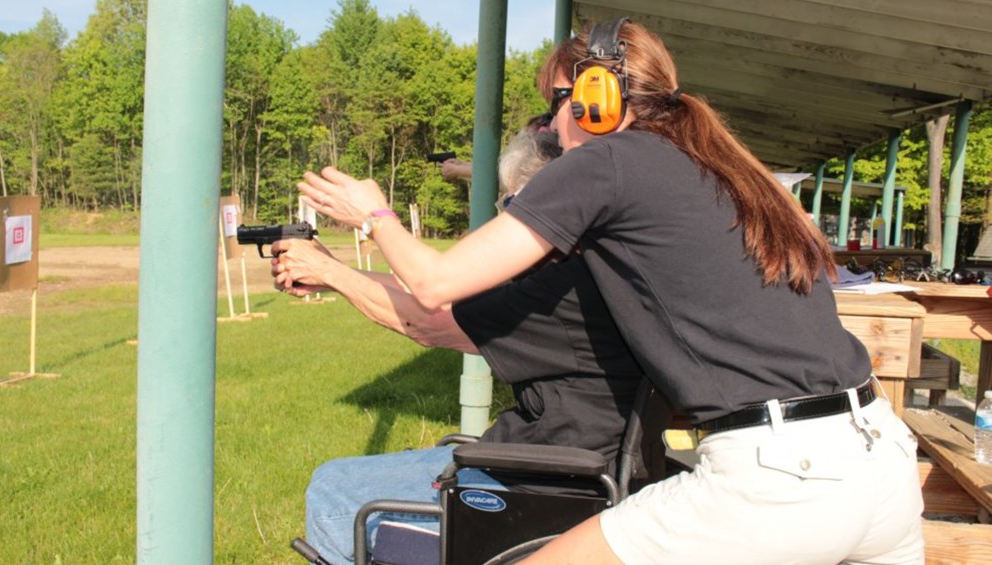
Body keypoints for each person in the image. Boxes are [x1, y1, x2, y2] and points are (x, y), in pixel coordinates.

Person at [289, 18, 924, 565]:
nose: (549, 128)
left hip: (781, 475)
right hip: (879, 457)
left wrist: (374, 216)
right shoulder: (723, 167)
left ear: (598, 98)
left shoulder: (609, 159)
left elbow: (433, 286)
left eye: (556, 104)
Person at [273, 125, 657, 564]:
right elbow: (443, 295)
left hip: (537, 487)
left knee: (335, 496)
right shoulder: (589, 275)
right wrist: (331, 272)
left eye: (514, 207)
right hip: (550, 470)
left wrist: (362, 235)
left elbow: (429, 321)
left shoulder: (561, 295)